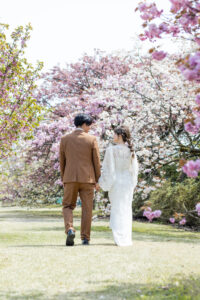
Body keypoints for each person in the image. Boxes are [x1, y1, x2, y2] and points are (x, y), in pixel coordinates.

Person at [59, 113, 101, 246]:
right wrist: (97, 179)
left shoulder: (64, 139)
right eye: (88, 125)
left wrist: (64, 178)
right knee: (87, 208)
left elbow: (62, 161)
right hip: (87, 179)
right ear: (83, 124)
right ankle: (85, 238)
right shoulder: (91, 139)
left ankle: (70, 229)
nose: (89, 128)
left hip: (70, 178)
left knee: (67, 206)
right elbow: (96, 161)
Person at [98, 126, 138, 246]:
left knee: (117, 208)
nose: (113, 136)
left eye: (115, 134)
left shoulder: (111, 150)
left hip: (116, 182)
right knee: (126, 208)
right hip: (127, 182)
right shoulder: (131, 150)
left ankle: (119, 237)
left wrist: (103, 183)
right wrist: (133, 183)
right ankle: (126, 237)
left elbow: (108, 169)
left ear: (120, 135)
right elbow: (134, 170)